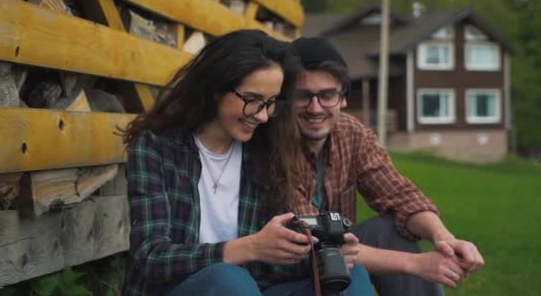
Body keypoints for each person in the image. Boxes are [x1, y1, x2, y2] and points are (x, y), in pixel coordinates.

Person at [120, 30, 367, 296]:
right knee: (228, 278)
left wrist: (318, 251)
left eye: (271, 103)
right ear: (216, 88)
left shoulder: (262, 151)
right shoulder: (157, 147)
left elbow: (268, 269)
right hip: (179, 290)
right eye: (252, 100)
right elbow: (151, 256)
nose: (262, 116)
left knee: (349, 275)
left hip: (250, 289)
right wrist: (251, 247)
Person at [289, 37, 485, 296]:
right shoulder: (273, 145)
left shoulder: (352, 133)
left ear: (343, 98)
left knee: (388, 230)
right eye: (303, 96)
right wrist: (415, 264)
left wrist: (444, 238)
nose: (315, 108)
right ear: (284, 99)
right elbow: (312, 238)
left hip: (342, 254)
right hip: (289, 264)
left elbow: (400, 196)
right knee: (348, 258)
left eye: (327, 95)